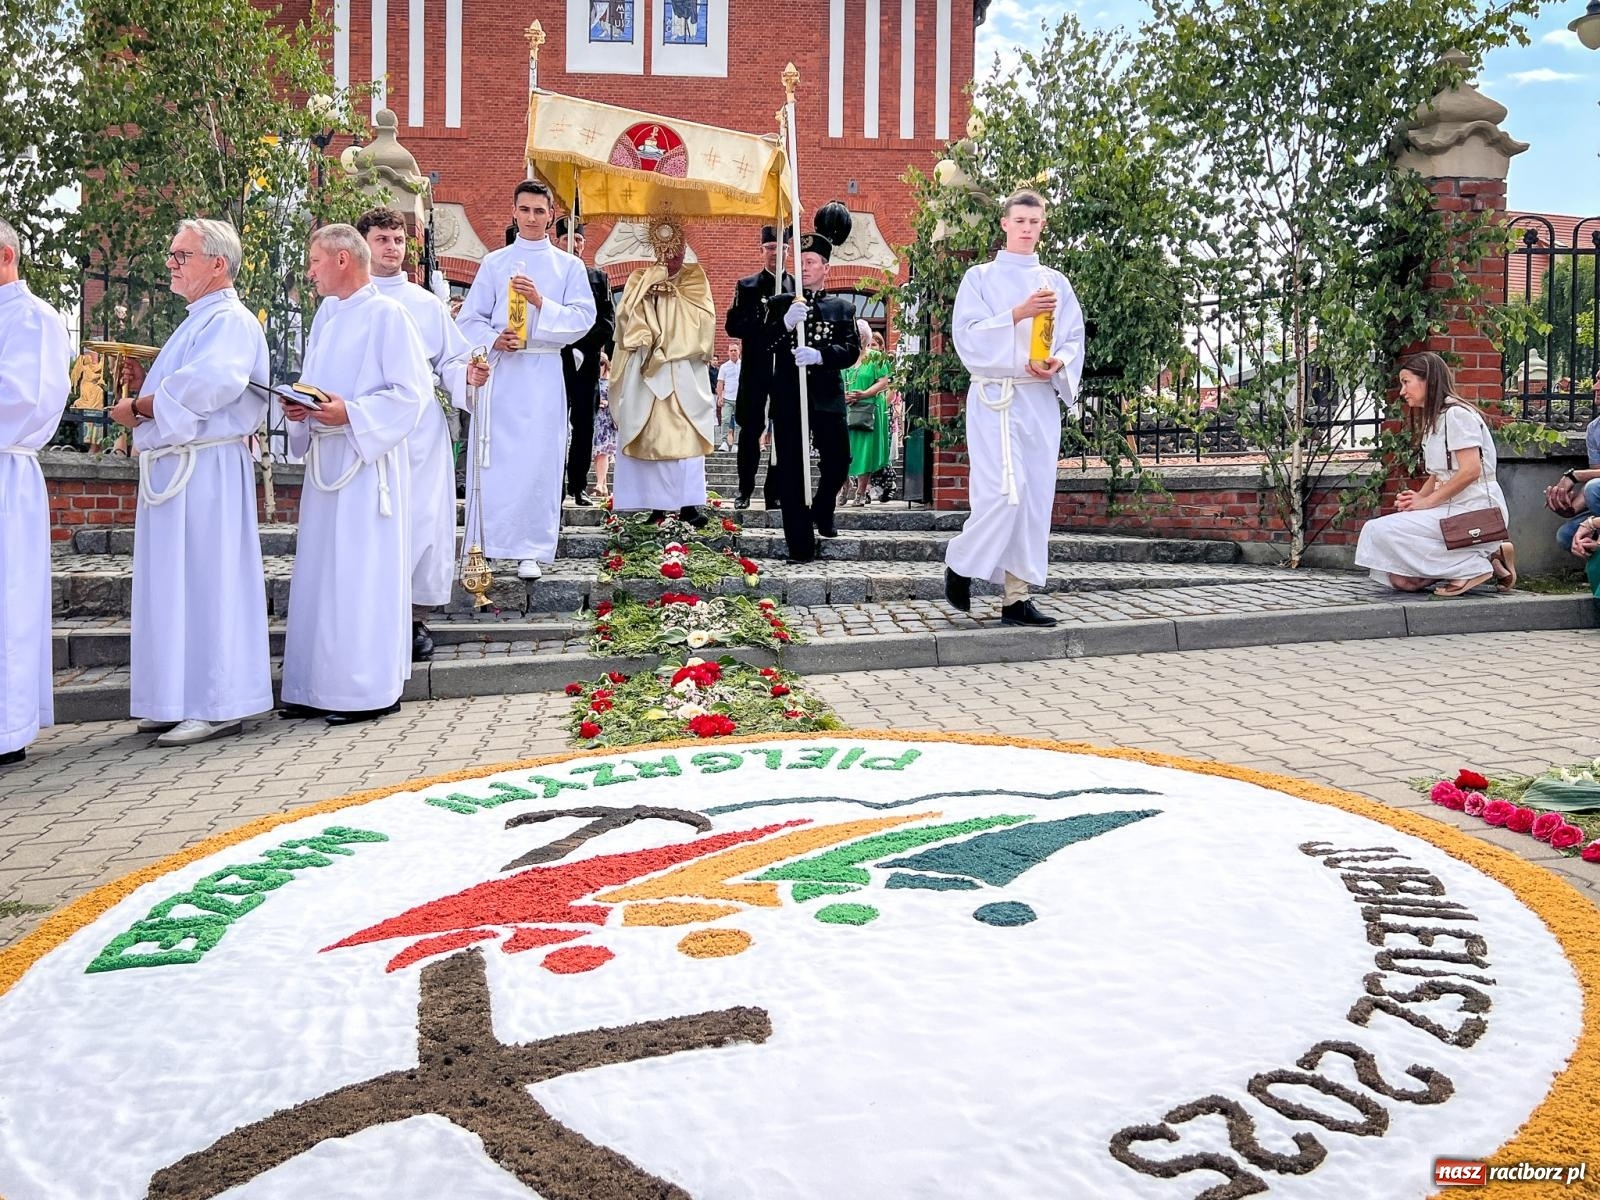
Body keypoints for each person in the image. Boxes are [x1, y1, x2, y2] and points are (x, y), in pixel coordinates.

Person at [109, 218, 275, 747]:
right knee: (173, 586)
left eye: (181, 256)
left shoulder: (229, 319)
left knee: (210, 581)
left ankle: (219, 701)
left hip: (206, 471)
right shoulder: (197, 319)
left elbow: (213, 384)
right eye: (173, 255)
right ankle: (175, 697)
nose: (171, 264)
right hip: (180, 469)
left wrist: (137, 407)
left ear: (217, 263)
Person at [279, 224, 434, 725]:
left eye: (315, 262)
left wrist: (352, 414)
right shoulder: (327, 316)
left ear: (343, 259)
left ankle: (363, 691)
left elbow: (412, 394)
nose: (310, 272)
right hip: (327, 463)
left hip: (367, 470)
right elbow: (315, 382)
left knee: (358, 577)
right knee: (320, 578)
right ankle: (313, 686)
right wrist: (302, 407)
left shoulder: (389, 316)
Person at [943, 189, 1085, 628]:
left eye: (1035, 221)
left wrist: (1058, 362)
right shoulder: (980, 278)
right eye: (1019, 220)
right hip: (995, 397)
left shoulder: (1055, 282)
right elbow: (966, 336)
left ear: (1043, 225)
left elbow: (1072, 336)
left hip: (1038, 397)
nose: (1027, 228)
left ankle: (1016, 598)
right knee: (1005, 492)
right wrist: (1018, 314)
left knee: (1035, 497)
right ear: (1004, 224)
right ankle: (961, 563)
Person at [357, 207, 487, 663]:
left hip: (417, 428)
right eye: (382, 239)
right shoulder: (347, 300)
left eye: (398, 239)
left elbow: (450, 360)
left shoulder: (425, 302)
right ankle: (366, 614)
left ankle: (414, 618)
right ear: (363, 245)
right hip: (361, 425)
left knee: (422, 520)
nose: (392, 248)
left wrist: (467, 374)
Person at [456, 181, 597, 579]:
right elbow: (469, 319)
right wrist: (492, 339)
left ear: (551, 215)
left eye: (540, 211)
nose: (532, 218)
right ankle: (487, 543)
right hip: (503, 372)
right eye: (525, 210)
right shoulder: (495, 263)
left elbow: (583, 319)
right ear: (514, 212)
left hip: (543, 372)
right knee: (497, 458)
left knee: (539, 459)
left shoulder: (567, 267)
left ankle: (530, 549)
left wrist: (540, 302)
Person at [1354, 351, 1515, 597]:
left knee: (1377, 530)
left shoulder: (1457, 414)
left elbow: (1471, 471)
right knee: (1401, 579)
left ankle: (1474, 565)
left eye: (1406, 382)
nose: (1402, 391)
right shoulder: (1436, 419)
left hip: (1477, 509)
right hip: (1452, 507)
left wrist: (1427, 502)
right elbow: (1439, 475)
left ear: (1427, 380)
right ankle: (1489, 557)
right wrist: (1416, 501)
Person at [0, 217, 72, 767]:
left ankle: (7, 727)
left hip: (7, 472)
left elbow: (26, 397)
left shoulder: (35, 319)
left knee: (8, 603)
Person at [608, 218, 717, 526]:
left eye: (678, 248)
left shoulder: (696, 279)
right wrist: (647, 291)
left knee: (686, 437)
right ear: (656, 248)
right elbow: (625, 317)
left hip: (683, 368)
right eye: (666, 249)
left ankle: (689, 505)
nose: (673, 256)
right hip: (647, 369)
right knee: (651, 435)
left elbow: (705, 320)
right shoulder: (639, 278)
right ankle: (656, 505)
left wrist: (672, 297)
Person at [766, 226, 859, 562]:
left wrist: (821, 356)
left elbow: (851, 350)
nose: (804, 267)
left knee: (838, 461)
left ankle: (823, 507)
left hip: (827, 395)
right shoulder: (781, 304)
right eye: (800, 261)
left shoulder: (842, 307)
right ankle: (800, 544)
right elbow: (764, 347)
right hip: (790, 395)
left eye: (811, 261)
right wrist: (786, 324)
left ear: (825, 268)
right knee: (791, 469)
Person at [724, 226, 794, 509]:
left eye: (782, 248)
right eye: (771, 248)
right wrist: (762, 317)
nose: (776, 253)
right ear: (762, 250)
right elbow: (732, 326)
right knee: (750, 429)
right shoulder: (747, 286)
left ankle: (774, 491)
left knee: (783, 431)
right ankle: (744, 488)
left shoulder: (795, 287)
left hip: (784, 369)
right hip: (755, 367)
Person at [553, 217, 615, 507]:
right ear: (558, 240)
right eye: (567, 239)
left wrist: (581, 345)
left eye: (577, 239)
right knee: (552, 423)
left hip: (586, 361)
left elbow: (606, 322)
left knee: (584, 426)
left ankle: (577, 485)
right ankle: (552, 483)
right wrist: (564, 342)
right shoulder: (550, 272)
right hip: (554, 358)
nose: (573, 244)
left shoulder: (597, 278)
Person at [843, 320, 893, 506]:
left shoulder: (875, 357)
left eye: (862, 336)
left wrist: (864, 394)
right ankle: (844, 486)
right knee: (842, 451)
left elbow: (884, 381)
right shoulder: (845, 357)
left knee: (864, 451)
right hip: (845, 408)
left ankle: (861, 492)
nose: (859, 339)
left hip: (867, 409)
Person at [1545, 412, 1600, 553]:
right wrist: (1572, 508)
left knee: (1593, 488)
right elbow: (1596, 479)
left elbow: (1594, 487)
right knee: (1566, 536)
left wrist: (1575, 476)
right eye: (1595, 387)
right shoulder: (1594, 428)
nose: (1595, 388)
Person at [591, 354, 616, 499]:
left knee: (602, 452)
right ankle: (604, 485)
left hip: (606, 421)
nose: (600, 366)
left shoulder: (611, 381)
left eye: (602, 363)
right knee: (597, 454)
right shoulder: (593, 382)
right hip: (595, 419)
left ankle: (600, 484)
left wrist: (607, 403)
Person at [715, 342, 741, 452]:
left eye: (735, 350)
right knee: (725, 420)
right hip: (728, 398)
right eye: (731, 350)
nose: (733, 352)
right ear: (728, 352)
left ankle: (736, 443)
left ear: (739, 351)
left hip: (741, 398)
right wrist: (720, 396)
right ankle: (724, 442)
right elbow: (720, 382)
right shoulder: (724, 367)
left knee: (739, 423)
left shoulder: (745, 365)